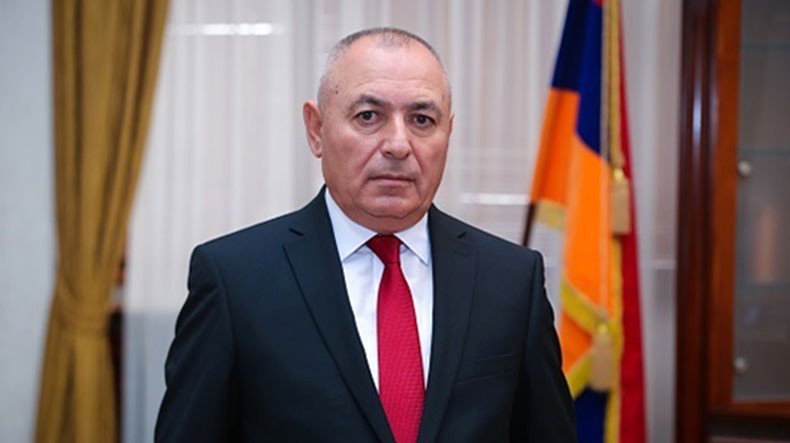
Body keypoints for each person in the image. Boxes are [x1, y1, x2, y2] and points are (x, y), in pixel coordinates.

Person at [155, 27, 576, 443]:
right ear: (316, 129)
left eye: (422, 120)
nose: (398, 144)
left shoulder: (511, 280)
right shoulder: (235, 280)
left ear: (448, 132)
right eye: (368, 117)